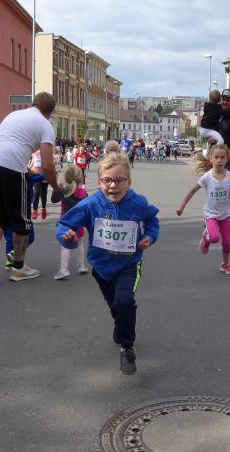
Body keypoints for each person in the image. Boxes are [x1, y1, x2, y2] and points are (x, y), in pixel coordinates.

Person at [56, 152, 159, 374]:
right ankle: (120, 324)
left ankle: (127, 348)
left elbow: (152, 221)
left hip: (129, 264)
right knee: (114, 304)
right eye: (107, 180)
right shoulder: (91, 203)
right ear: (99, 181)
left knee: (124, 301)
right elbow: (65, 224)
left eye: (119, 180)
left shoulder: (138, 202)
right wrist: (68, 237)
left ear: (129, 182)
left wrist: (149, 237)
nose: (113, 185)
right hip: (101, 267)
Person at [0, 92, 62, 283]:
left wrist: (27, 170)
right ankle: (19, 268)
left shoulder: (13, 115)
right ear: (50, 111)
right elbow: (48, 165)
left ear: (34, 104)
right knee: (21, 220)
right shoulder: (45, 124)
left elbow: (7, 145)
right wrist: (56, 187)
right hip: (11, 167)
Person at [176, 143, 230, 274]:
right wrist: (182, 206)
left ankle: (225, 264)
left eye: (222, 157)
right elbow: (192, 191)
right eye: (216, 157)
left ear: (227, 159)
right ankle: (206, 238)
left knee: (227, 243)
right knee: (214, 238)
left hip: (225, 215)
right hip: (211, 215)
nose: (219, 160)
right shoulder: (207, 177)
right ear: (211, 158)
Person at [54, 165, 89, 280]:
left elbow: (54, 199)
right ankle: (81, 266)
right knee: (80, 243)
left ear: (66, 178)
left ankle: (63, 269)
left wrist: (57, 188)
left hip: (66, 225)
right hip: (79, 224)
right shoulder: (83, 193)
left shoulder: (65, 191)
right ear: (81, 178)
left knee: (65, 247)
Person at [29, 150, 49, 219]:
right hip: (36, 175)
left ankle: (43, 208)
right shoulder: (34, 153)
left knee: (43, 194)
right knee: (36, 192)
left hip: (44, 176)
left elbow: (50, 163)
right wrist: (29, 170)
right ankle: (35, 211)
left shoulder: (46, 152)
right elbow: (31, 164)